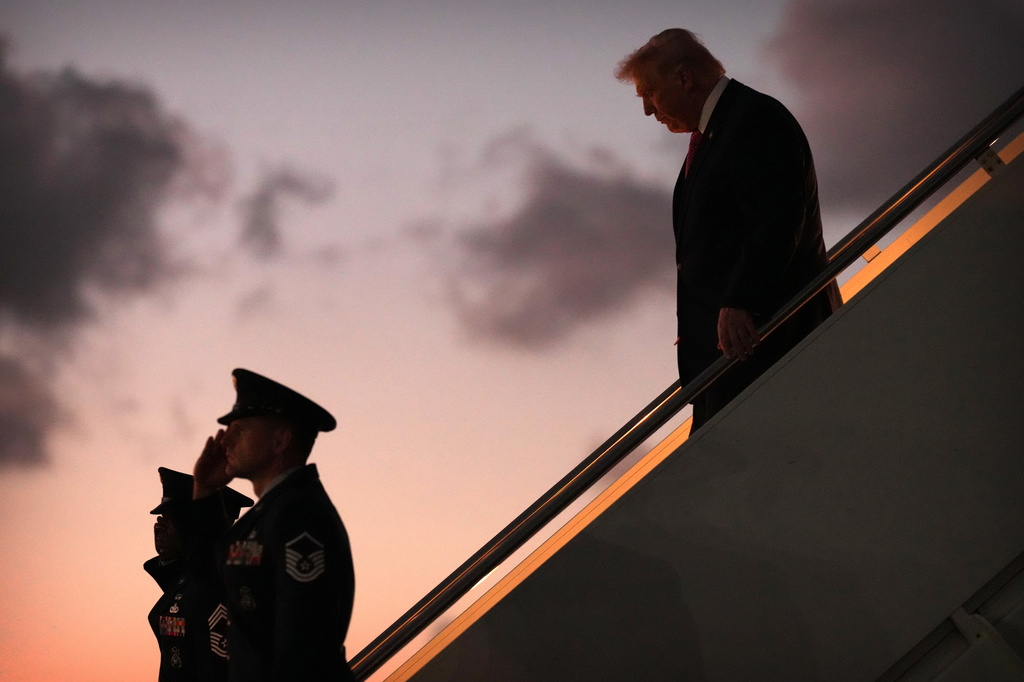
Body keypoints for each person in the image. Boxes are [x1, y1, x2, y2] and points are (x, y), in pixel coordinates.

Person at [615, 29, 841, 431]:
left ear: (685, 78)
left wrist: (741, 301)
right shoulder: (725, 129)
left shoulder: (753, 120)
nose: (649, 110)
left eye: (650, 92)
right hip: (732, 361)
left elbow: (777, 220)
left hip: (767, 351)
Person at [192, 368, 355, 681]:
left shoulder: (300, 514)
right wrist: (204, 491)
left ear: (280, 440)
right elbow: (208, 580)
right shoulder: (268, 515)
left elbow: (303, 647)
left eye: (239, 430)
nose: (226, 440)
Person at [145, 467, 253, 680]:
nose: (159, 523)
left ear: (195, 522)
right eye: (161, 516)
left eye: (171, 515)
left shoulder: (217, 585)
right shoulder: (184, 580)